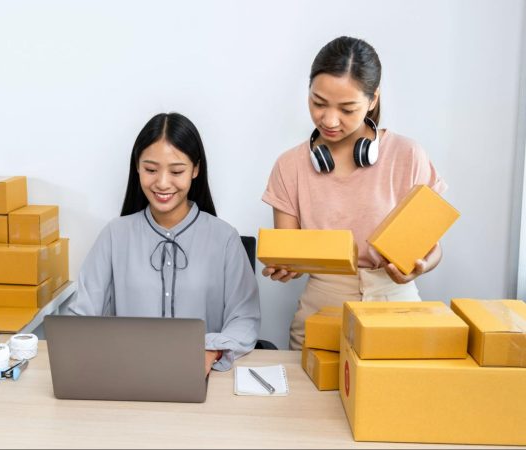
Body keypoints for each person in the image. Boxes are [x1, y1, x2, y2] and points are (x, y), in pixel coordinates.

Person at [261, 36, 447, 350]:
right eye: (318, 103)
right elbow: (292, 253)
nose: (329, 120)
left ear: (373, 99)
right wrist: (287, 268)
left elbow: (433, 248)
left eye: (347, 109)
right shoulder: (289, 165)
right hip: (322, 308)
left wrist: (422, 266)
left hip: (395, 304)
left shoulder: (408, 155)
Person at [68, 112, 260, 374]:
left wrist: (211, 351)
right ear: (137, 167)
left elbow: (244, 318)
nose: (162, 183)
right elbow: (81, 316)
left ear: (195, 169)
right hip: (127, 376)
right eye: (150, 169)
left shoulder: (225, 238)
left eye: (177, 171)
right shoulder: (115, 234)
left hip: (202, 377)